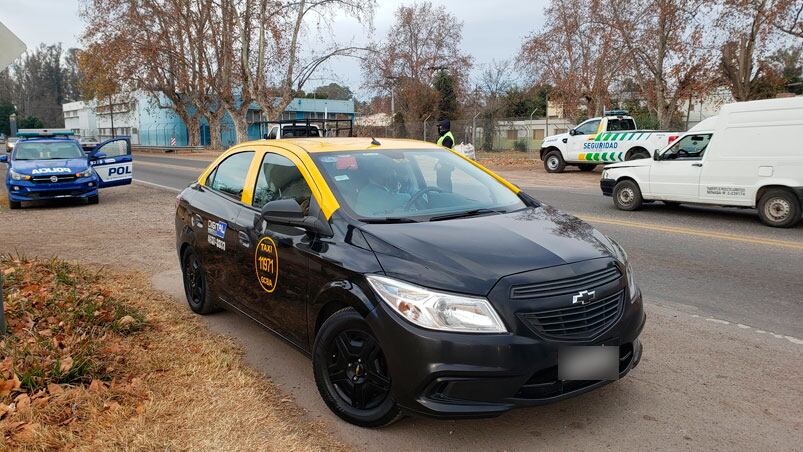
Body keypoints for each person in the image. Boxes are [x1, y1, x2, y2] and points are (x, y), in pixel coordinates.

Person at [435, 118, 455, 192]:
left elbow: (445, 154)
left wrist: (440, 163)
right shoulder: (445, 136)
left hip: (445, 166)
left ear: (444, 127)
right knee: (441, 184)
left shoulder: (447, 138)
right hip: (443, 165)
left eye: (440, 127)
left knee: (444, 185)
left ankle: (447, 197)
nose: (439, 129)